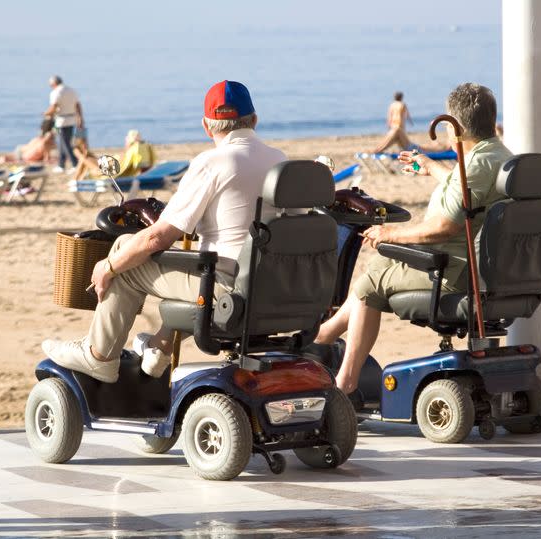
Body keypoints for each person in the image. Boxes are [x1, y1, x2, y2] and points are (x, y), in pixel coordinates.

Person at [41, 80, 287, 383]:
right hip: (276, 285)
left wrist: (107, 266)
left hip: (228, 289)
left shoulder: (212, 162)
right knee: (195, 259)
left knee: (125, 252)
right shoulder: (280, 161)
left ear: (207, 127)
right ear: (254, 120)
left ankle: (99, 355)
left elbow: (159, 237)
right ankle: (159, 347)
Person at [312, 82, 513, 394]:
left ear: (454, 127)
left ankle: (344, 380)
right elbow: (473, 196)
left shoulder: (473, 167)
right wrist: (432, 168)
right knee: (382, 260)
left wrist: (391, 232)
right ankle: (325, 335)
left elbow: (444, 227)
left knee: (370, 285)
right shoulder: (499, 156)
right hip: (488, 268)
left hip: (454, 272)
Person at [44, 75, 84, 173]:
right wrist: (80, 118)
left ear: (54, 84)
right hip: (72, 119)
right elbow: (78, 105)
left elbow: (54, 106)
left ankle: (75, 164)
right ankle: (61, 165)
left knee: (66, 143)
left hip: (61, 121)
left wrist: (46, 113)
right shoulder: (71, 90)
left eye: (51, 85)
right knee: (62, 142)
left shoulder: (56, 92)